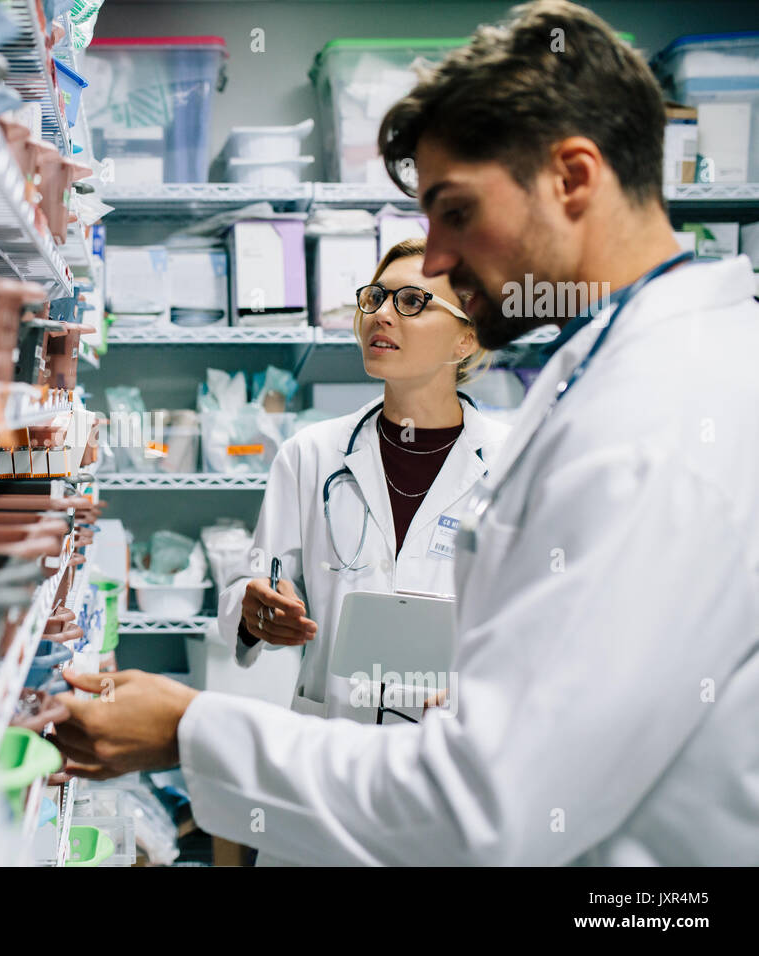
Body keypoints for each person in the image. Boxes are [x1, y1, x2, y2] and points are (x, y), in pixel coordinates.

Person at [54, 0, 759, 865]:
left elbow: (489, 803)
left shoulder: (657, 416)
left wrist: (191, 728)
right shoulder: (612, 372)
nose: (431, 258)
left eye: (454, 211)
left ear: (574, 178)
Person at [225, 237, 508, 732]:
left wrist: (475, 691)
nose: (382, 315)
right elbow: (255, 589)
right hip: (336, 736)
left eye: (413, 302)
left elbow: (542, 621)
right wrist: (255, 612)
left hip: (455, 744)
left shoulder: (511, 463)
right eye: (376, 298)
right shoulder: (310, 456)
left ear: (465, 339)